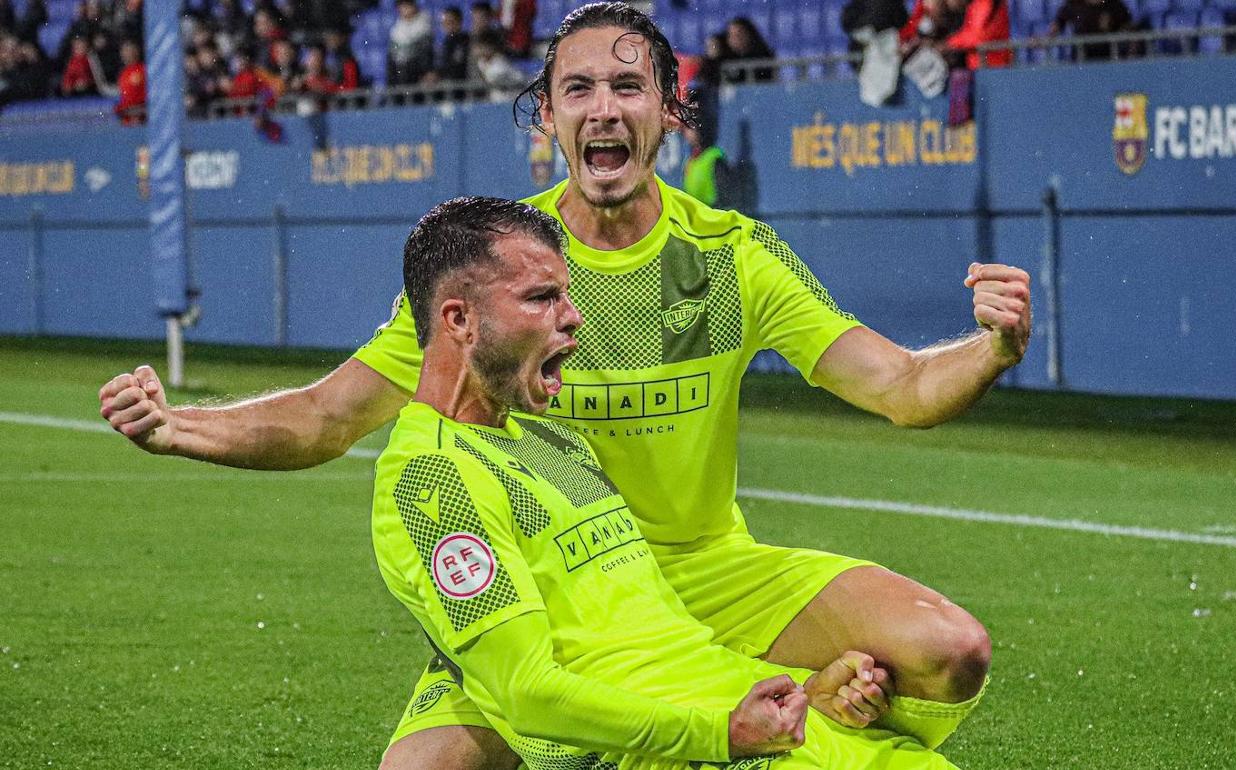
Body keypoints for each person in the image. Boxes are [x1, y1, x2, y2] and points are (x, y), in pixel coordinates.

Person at [100, 4, 1031, 769]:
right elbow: (329, 413)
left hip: (712, 573)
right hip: (555, 592)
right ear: (546, 117)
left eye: (629, 85)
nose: (603, 108)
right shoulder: (502, 266)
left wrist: (989, 348)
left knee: (952, 652)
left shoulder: (732, 260)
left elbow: (903, 385)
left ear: (672, 109)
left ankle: (806, 723)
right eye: (577, 88)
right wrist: (180, 426)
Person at [372, 194, 959, 770]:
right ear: (460, 320)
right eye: (542, 298)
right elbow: (526, 695)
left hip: (756, 720)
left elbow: (662, 640)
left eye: (566, 296)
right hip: (688, 751)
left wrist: (810, 692)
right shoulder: (433, 479)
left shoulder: (554, 441)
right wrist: (718, 733)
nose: (573, 316)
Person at [1048, 0, 1134, 61]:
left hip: (1108, 56)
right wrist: (1046, 38)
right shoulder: (1074, 3)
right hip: (1081, 56)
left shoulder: (1114, 4)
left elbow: (1128, 27)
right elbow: (1058, 24)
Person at [113, 38, 145, 125]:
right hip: (126, 124)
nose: (125, 53)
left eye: (128, 50)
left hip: (140, 123)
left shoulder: (144, 70)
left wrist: (136, 112)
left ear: (136, 51)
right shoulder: (122, 73)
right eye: (123, 50)